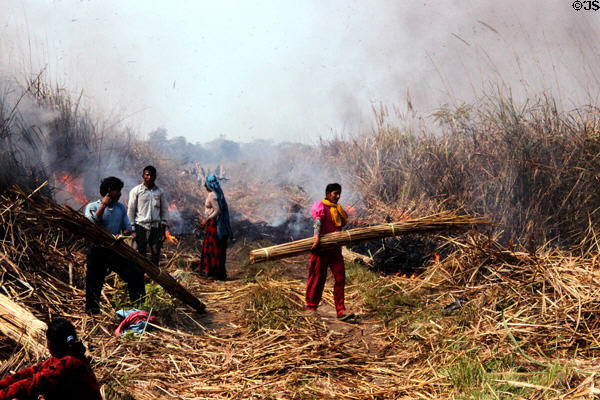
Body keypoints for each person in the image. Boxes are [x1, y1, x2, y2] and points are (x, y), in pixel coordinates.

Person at [84, 176, 145, 315]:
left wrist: (124, 233)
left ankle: (139, 308)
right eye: (118, 191)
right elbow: (90, 223)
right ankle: (92, 312)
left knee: (135, 273)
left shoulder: (120, 207)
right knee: (94, 281)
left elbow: (127, 227)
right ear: (110, 191)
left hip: (115, 249)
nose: (120, 194)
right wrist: (103, 205)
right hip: (97, 250)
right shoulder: (92, 207)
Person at [0, 318, 102, 400]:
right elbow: (31, 372)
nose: (47, 347)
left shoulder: (70, 363)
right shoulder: (65, 359)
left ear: (54, 344)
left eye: (48, 342)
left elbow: (34, 383)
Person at [306, 183, 354, 320]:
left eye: (339, 194)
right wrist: (316, 237)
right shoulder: (320, 206)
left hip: (335, 250)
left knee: (340, 278)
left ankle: (341, 310)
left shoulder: (338, 209)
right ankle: (311, 308)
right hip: (321, 249)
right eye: (335, 194)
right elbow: (317, 222)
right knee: (317, 278)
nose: (338, 196)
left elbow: (341, 224)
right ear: (327, 193)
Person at [127, 165, 168, 265]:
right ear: (143, 176)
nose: (149, 177)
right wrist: (132, 227)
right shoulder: (136, 191)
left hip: (155, 227)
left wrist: (163, 228)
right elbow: (131, 210)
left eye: (152, 175)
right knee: (141, 254)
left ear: (155, 177)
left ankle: (153, 278)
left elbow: (164, 210)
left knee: (155, 253)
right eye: (147, 175)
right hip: (140, 226)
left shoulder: (160, 192)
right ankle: (140, 277)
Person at [197, 175, 232, 280]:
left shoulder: (212, 195)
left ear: (209, 185)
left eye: (206, 184)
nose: (205, 186)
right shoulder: (218, 193)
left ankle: (212, 271)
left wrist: (206, 220)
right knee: (217, 247)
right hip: (215, 224)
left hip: (214, 225)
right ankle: (218, 272)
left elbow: (217, 210)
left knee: (212, 248)